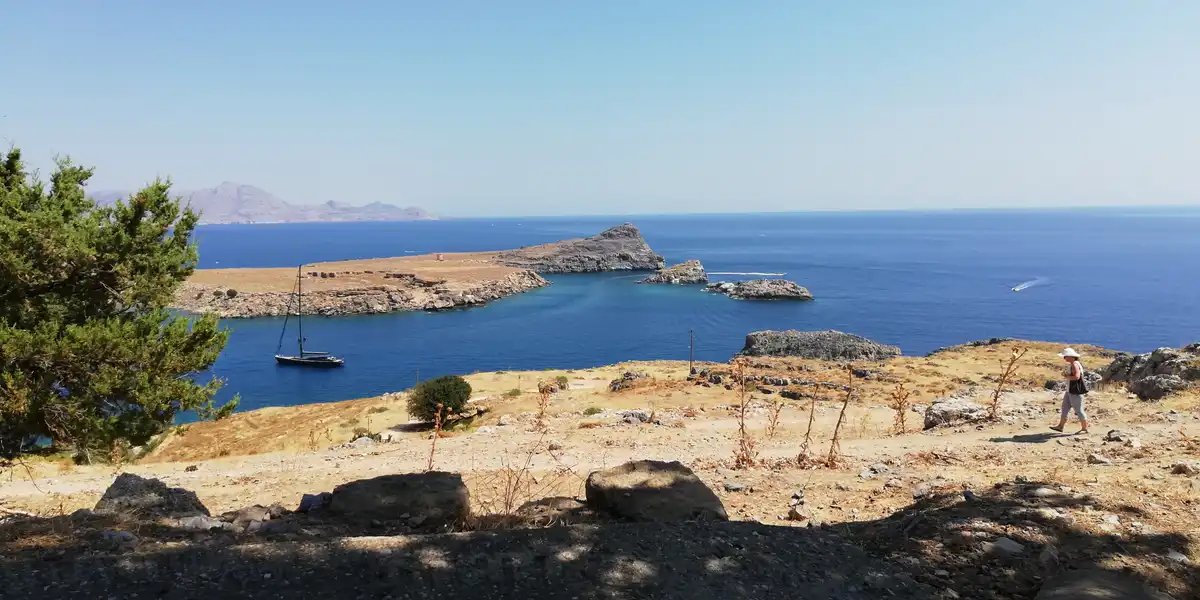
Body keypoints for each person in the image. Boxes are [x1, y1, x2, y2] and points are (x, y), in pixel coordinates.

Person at [1050, 347, 1088, 434]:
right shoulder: (1074, 364)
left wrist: (1067, 376)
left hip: (1075, 391)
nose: (1064, 358)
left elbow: (1077, 377)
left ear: (1071, 356)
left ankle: (1084, 428)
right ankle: (1060, 426)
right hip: (1070, 390)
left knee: (1078, 410)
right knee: (1065, 408)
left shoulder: (1074, 364)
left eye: (1065, 356)